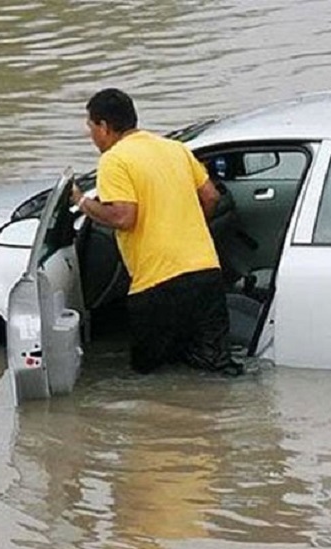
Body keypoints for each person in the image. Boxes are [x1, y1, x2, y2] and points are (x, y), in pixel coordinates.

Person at [72, 88, 241, 376]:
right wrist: (190, 228)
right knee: (216, 367)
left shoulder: (115, 159)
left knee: (151, 375)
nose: (91, 136)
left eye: (90, 127)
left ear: (104, 126)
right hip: (206, 274)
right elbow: (211, 197)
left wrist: (82, 202)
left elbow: (124, 216)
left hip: (157, 284)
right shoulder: (175, 149)